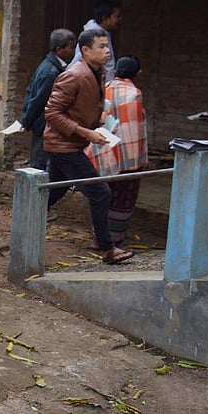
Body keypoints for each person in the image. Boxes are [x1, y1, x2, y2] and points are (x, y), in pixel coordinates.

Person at [45, 28, 134, 264]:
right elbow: (52, 112)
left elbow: (81, 107)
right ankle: (107, 248)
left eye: (108, 46)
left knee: (53, 192)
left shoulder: (98, 72)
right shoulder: (74, 74)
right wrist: (85, 132)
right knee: (101, 192)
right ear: (85, 50)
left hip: (71, 143)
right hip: (63, 146)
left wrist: (98, 122)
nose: (107, 51)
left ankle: (24, 224)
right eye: (102, 47)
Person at [85, 56, 148, 251]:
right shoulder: (134, 94)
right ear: (137, 73)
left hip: (104, 149)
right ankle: (114, 240)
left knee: (103, 195)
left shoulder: (104, 87)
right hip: (128, 153)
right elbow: (136, 127)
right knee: (123, 197)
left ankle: (100, 238)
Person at [21, 29, 76, 170]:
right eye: (71, 47)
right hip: (42, 124)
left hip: (42, 123)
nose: (73, 51)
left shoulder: (50, 66)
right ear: (59, 49)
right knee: (40, 165)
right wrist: (27, 121)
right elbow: (38, 100)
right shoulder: (51, 72)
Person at [73, 0, 122, 82]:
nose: (120, 19)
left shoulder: (104, 32)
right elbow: (78, 60)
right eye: (116, 16)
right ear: (105, 19)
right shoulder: (91, 35)